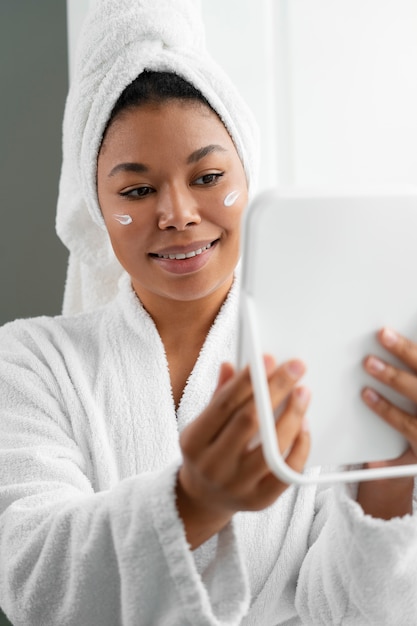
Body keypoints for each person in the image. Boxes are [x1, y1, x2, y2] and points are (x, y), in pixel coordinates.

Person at [1, 1, 417, 624]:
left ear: (247, 178)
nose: (177, 213)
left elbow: (353, 613)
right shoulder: (30, 362)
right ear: (96, 203)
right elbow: (35, 579)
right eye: (137, 190)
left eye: (208, 176)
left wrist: (390, 475)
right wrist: (193, 502)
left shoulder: (329, 352)